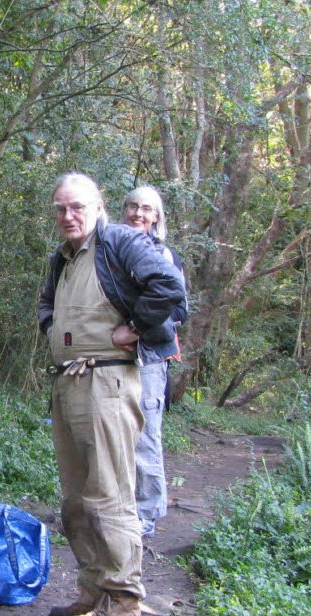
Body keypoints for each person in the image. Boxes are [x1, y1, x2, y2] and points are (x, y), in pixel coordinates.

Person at [38, 173, 186, 616]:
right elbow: (48, 305)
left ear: (99, 205)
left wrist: (137, 329)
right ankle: (92, 591)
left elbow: (168, 287)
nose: (68, 216)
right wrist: (52, 331)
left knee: (109, 495)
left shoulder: (120, 241)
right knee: (76, 500)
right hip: (69, 382)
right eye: (61, 208)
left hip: (109, 383)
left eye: (77, 207)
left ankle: (124, 599)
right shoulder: (61, 258)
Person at [120, 186, 188, 539]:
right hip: (110, 359)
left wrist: (138, 325)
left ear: (157, 216)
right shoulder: (110, 252)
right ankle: (119, 507)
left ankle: (146, 512)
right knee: (114, 435)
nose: (138, 213)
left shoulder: (164, 256)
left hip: (147, 358)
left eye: (146, 208)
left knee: (145, 434)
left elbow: (179, 310)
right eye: (132, 206)